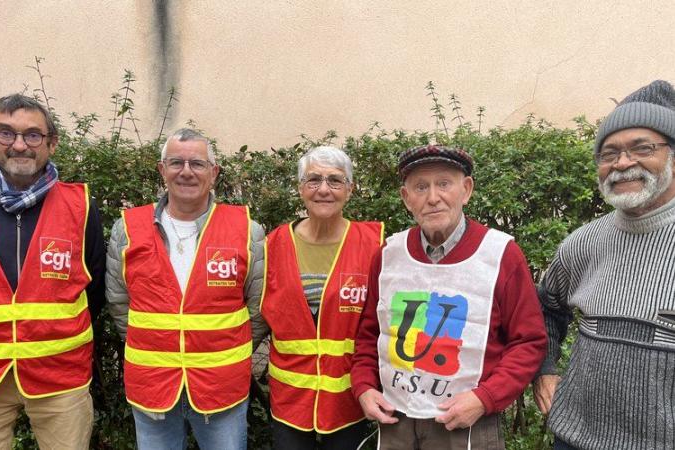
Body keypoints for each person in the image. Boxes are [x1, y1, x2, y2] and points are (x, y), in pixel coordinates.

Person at [351, 144, 547, 449]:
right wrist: (363, 386)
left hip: (465, 424)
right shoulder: (389, 254)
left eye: (444, 183)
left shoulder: (500, 254)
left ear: (466, 190)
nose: (432, 197)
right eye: (420, 187)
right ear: (406, 198)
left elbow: (528, 341)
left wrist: (485, 398)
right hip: (396, 421)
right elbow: (369, 334)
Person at [533, 80, 675, 450]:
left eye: (643, 148)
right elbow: (545, 309)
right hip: (574, 439)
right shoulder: (583, 242)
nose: (623, 163)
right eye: (609, 153)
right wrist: (545, 369)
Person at [105, 128, 266, 450]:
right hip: (152, 384)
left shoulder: (247, 231)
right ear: (162, 170)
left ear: (214, 173)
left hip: (222, 386)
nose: (187, 172)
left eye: (198, 164)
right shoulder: (128, 229)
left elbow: (259, 306)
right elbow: (118, 301)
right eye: (176, 162)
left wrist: (228, 352)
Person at [0, 94, 106, 449]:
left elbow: (94, 286)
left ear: (52, 142)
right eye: (6, 133)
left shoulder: (81, 205)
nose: (19, 145)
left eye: (33, 135)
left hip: (60, 378)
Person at [259, 146, 383, 449]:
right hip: (290, 401)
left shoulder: (375, 244)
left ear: (350, 189)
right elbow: (256, 314)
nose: (323, 189)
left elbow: (383, 325)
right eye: (313, 180)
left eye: (335, 181)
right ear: (301, 188)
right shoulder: (271, 245)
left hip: (350, 401)